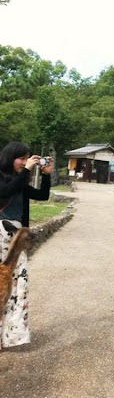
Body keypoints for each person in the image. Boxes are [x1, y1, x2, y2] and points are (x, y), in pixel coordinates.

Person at [0, 142, 54, 350]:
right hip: (2, 237)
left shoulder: (20, 180)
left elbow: (42, 196)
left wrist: (47, 175)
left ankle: (12, 334)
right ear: (9, 157)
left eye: (27, 158)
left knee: (17, 286)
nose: (24, 162)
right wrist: (28, 170)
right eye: (20, 158)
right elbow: (7, 189)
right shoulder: (5, 178)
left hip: (15, 240)